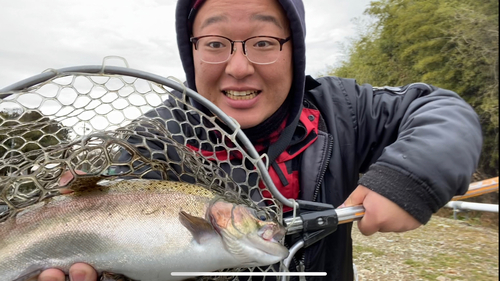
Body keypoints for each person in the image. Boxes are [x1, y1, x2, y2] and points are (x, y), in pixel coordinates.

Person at [38, 0, 482, 280]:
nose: (238, 67)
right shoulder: (149, 139)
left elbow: (441, 108)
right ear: (190, 50)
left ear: (296, 47)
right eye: (215, 43)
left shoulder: (343, 109)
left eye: (264, 41)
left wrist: (411, 175)